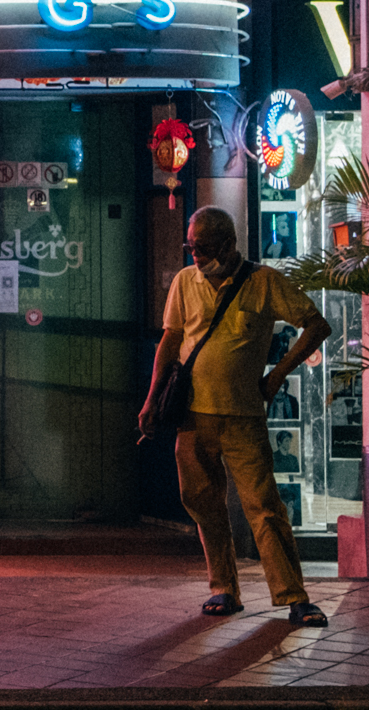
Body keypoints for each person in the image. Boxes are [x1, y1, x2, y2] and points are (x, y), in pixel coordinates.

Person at [139, 206, 331, 627]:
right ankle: (223, 588)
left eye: (204, 248)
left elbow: (316, 325)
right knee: (202, 501)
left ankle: (294, 597)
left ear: (229, 244)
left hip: (243, 416)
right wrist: (151, 399)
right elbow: (171, 342)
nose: (196, 256)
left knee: (263, 506)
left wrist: (277, 375)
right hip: (192, 415)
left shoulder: (262, 282)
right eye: (191, 247)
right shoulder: (185, 283)